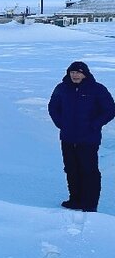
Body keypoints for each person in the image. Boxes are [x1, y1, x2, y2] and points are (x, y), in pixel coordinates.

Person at [48, 61, 115, 211]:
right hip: (67, 138)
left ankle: (90, 204)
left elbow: (110, 109)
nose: (75, 75)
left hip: (88, 139)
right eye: (72, 72)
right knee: (71, 169)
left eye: (78, 72)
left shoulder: (97, 89)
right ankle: (75, 200)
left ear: (85, 73)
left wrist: (95, 124)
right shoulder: (62, 89)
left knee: (89, 170)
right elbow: (53, 107)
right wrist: (61, 123)